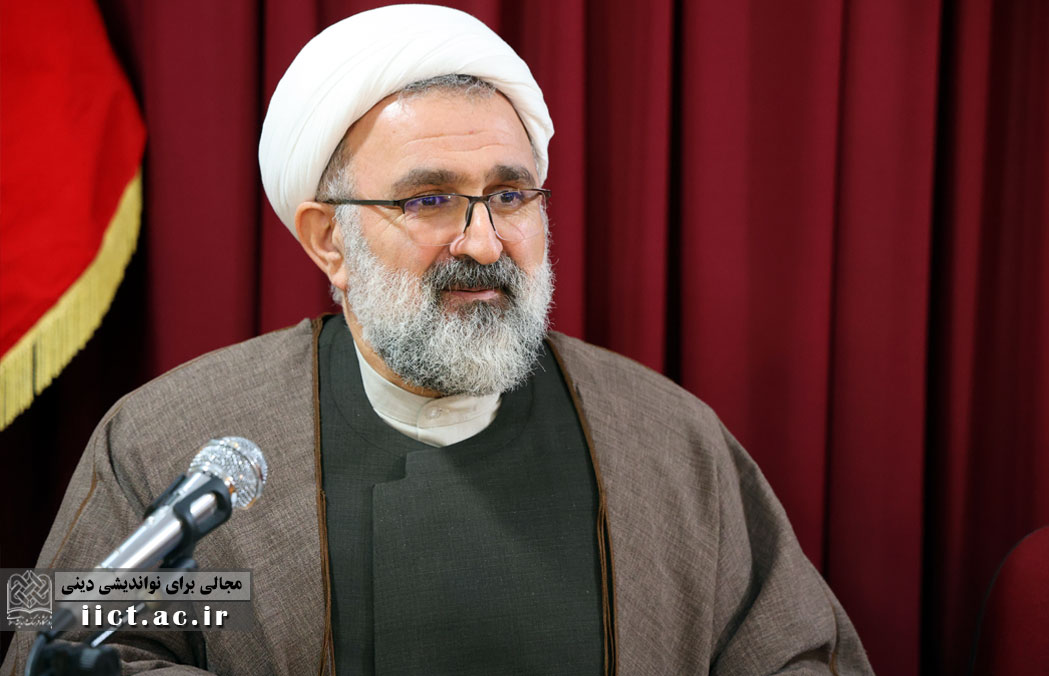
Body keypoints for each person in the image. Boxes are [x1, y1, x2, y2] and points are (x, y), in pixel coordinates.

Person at [2, 5, 874, 675]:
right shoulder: (176, 439)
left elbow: (800, 656)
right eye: (428, 200)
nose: (484, 242)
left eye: (509, 196)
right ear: (327, 239)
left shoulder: (666, 438)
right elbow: (58, 635)